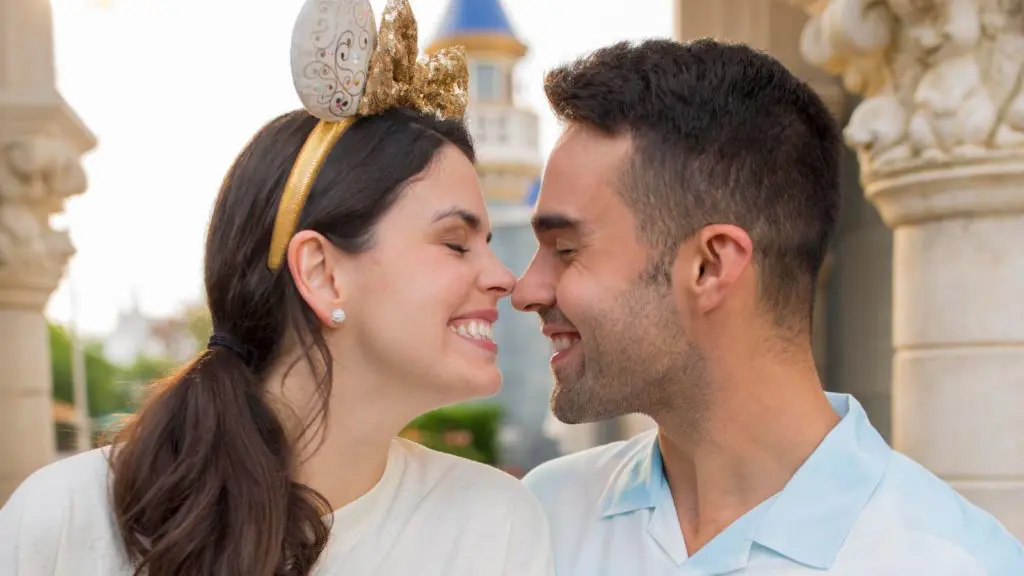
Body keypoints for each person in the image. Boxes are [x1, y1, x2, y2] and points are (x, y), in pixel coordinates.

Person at [0, 1, 554, 575]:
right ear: (321, 272)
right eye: (456, 243)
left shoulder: (494, 525)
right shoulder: (67, 521)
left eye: (489, 243)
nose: (504, 278)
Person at [514, 38, 1024, 575]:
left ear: (710, 266)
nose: (525, 290)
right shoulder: (541, 520)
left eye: (566, 250)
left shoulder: (954, 563)